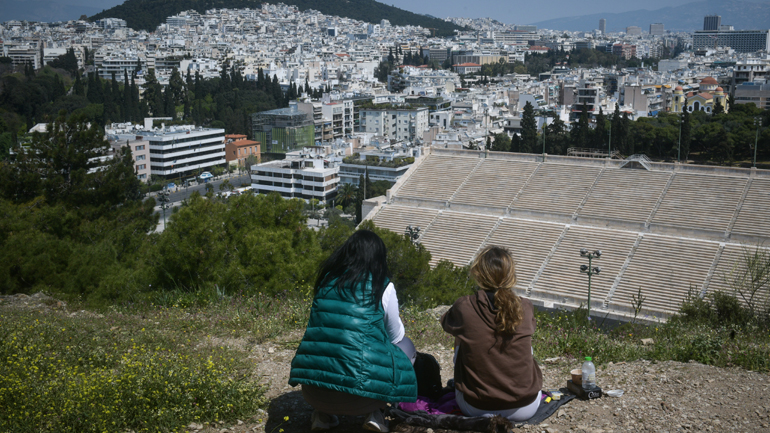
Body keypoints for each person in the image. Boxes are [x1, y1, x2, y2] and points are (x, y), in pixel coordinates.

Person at [289, 230, 417, 432]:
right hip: (362, 399)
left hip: (313, 394)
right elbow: (396, 336)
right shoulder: (382, 286)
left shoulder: (325, 281)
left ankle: (322, 415)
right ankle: (377, 412)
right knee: (407, 346)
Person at [441, 246, 543, 422]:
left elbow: (446, 323)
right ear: (512, 275)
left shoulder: (465, 306)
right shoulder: (525, 306)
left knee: (461, 336)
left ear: (478, 274)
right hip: (525, 407)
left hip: (476, 408)